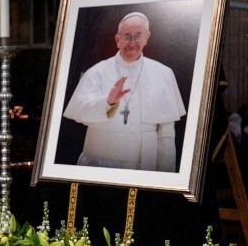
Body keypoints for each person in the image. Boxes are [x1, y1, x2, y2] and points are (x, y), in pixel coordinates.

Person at [63, 11, 186, 172]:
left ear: (146, 37)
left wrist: (165, 177)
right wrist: (108, 102)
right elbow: (81, 112)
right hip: (99, 167)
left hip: (144, 168)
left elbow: (166, 135)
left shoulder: (163, 74)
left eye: (138, 36)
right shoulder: (96, 72)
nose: (132, 43)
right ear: (117, 40)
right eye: (127, 37)